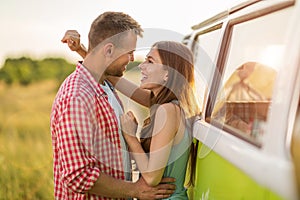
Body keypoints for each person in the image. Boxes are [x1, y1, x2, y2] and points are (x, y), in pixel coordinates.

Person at [51, 12, 175, 200]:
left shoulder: (106, 85)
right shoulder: (76, 98)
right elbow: (78, 176)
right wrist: (135, 190)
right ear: (108, 51)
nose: (134, 59)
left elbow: (100, 65)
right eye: (129, 52)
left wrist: (85, 51)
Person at [63, 32, 200, 199]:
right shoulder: (164, 104)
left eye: (150, 61)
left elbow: (151, 177)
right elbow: (112, 76)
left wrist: (130, 136)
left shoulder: (168, 110)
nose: (141, 66)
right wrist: (81, 50)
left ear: (167, 74)